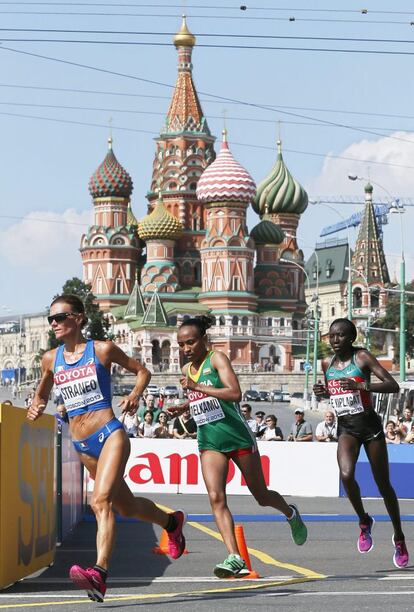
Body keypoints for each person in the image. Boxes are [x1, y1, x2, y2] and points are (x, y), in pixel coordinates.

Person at [27, 294, 186, 602]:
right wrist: (37, 405)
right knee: (125, 506)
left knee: (100, 502)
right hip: (82, 444)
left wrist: (136, 395)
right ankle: (171, 523)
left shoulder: (101, 349)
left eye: (59, 317)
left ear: (78, 317)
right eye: (51, 319)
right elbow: (42, 390)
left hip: (110, 434)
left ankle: (99, 573)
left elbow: (143, 371)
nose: (54, 323)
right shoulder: (51, 358)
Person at [169, 315, 307, 579]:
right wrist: (184, 406)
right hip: (209, 440)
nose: (186, 349)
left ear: (204, 340)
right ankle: (235, 557)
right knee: (216, 497)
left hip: (237, 438)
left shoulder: (217, 359)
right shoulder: (187, 371)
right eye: (181, 344)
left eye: (190, 342)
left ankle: (290, 513)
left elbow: (235, 393)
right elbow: (202, 398)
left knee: (261, 495)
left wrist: (198, 387)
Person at [313, 318, 409, 568]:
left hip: (371, 428)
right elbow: (335, 393)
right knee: (346, 475)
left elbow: (393, 385)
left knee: (383, 485)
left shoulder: (362, 358)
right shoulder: (327, 363)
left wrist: (362, 384)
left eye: (340, 336)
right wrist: (324, 393)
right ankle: (364, 520)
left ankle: (399, 537)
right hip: (347, 428)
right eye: (331, 336)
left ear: (351, 338)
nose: (334, 340)